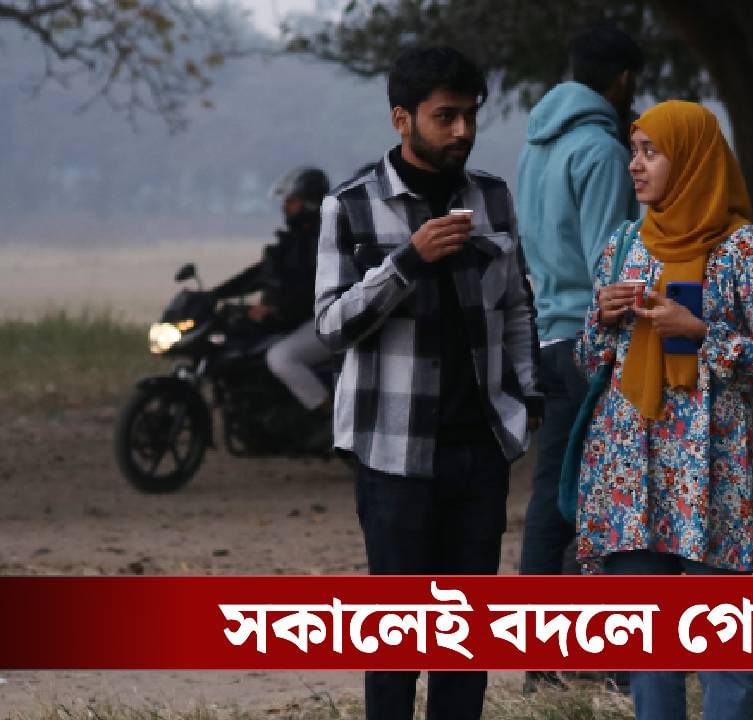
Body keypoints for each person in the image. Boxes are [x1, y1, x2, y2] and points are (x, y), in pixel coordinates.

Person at [313, 46, 541, 720]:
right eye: (446, 117)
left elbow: (517, 307)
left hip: (479, 449)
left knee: (463, 642)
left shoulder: (492, 196)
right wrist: (406, 262)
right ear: (401, 119)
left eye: (470, 116)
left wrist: (525, 403)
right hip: (392, 454)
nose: (462, 132)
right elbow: (329, 325)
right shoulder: (349, 208)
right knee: (396, 640)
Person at [575, 100, 753, 720]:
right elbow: (589, 359)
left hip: (710, 467)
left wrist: (704, 333)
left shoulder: (742, 249)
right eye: (634, 151)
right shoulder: (623, 244)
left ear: (694, 158)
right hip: (630, 466)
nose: (635, 166)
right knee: (649, 641)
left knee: (723, 639)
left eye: (651, 152)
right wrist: (603, 317)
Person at [514, 23, 643, 695]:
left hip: (551, 337)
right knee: (618, 501)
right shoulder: (600, 149)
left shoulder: (536, 146)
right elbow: (611, 262)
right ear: (622, 81)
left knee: (551, 502)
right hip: (596, 343)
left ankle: (541, 661)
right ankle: (621, 665)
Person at [212, 167, 333, 438]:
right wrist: (214, 294)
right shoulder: (292, 241)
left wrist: (276, 310)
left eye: (292, 202)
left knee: (281, 358)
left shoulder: (323, 241)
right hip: (294, 320)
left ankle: (335, 419)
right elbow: (259, 273)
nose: (285, 207)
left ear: (310, 203)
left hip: (323, 320)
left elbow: (308, 289)